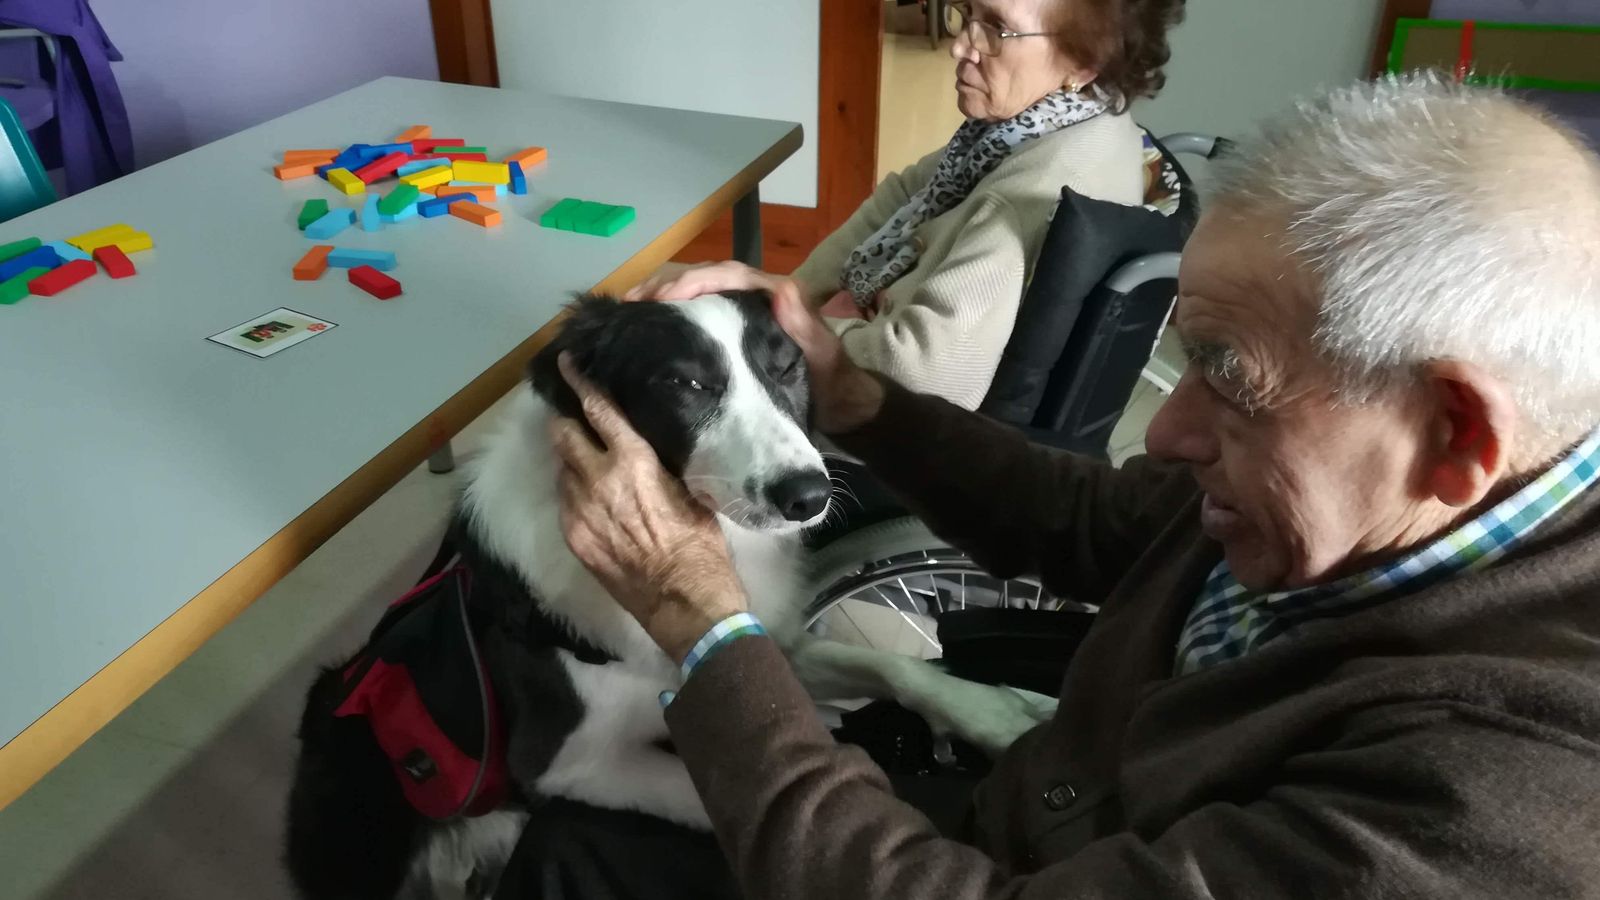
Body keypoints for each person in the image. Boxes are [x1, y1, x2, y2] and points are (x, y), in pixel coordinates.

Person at [546, 73, 1600, 898]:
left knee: (566, 857)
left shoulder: (1496, 807)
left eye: (1230, 377)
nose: (1170, 430)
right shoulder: (1361, 502)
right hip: (1033, 803)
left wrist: (708, 630)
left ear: (1454, 431)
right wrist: (851, 394)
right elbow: (1093, 516)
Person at [629, 0, 1188, 410]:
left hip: (887, 424)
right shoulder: (1052, 125)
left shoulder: (1028, 197)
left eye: (996, 29)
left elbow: (922, 375)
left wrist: (796, 324)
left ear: (1083, 62)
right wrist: (785, 294)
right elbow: (903, 194)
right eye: (968, 14)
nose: (962, 45)